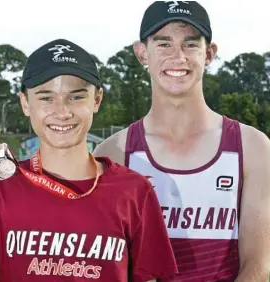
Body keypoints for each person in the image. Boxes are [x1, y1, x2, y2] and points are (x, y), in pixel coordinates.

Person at [0, 39, 178, 282]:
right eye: (46, 98)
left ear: (97, 100)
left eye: (76, 97)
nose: (62, 112)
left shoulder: (134, 190)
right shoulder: (0, 187)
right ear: (25, 103)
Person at [93, 1, 270, 281]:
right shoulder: (113, 154)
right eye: (164, 44)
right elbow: (111, 264)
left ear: (209, 53)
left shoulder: (252, 147)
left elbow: (259, 266)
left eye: (190, 44)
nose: (178, 57)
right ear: (142, 53)